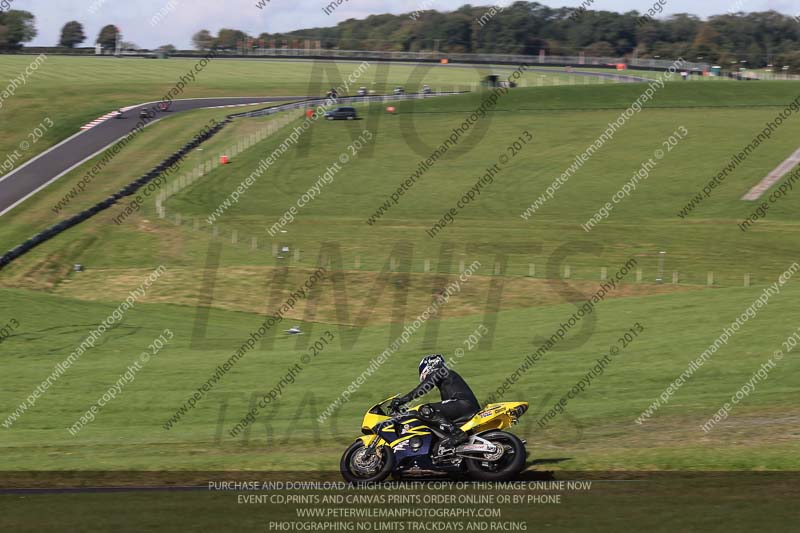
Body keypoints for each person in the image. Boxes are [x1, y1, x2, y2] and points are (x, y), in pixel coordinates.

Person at [390, 354, 481, 451]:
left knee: (426, 409)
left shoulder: (442, 371)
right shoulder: (445, 378)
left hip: (463, 404)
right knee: (430, 415)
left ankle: (457, 434)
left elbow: (425, 387)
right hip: (464, 405)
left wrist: (403, 400)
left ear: (430, 365)